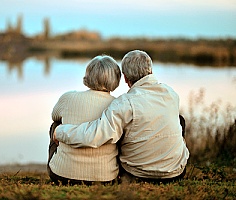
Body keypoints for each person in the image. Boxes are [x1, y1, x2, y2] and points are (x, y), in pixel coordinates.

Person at [54, 50, 190, 184]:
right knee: (179, 120)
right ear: (151, 72)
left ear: (125, 78)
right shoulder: (171, 94)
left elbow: (96, 135)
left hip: (137, 173)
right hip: (176, 172)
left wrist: (60, 131)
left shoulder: (125, 103)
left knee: (119, 130)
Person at [48, 55, 122, 185]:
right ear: (116, 79)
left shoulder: (68, 97)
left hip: (62, 175)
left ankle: (64, 162)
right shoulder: (118, 105)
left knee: (56, 125)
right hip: (105, 178)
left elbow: (54, 116)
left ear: (88, 75)